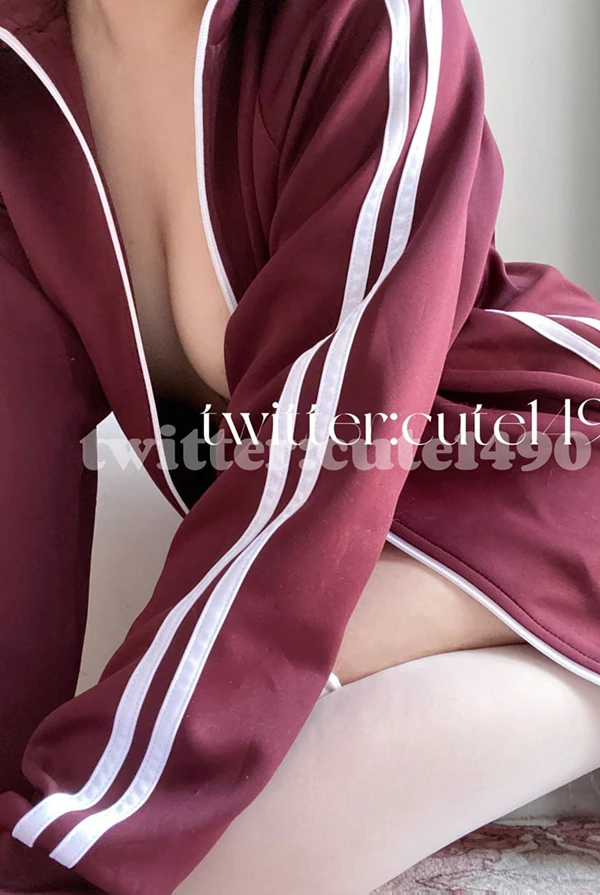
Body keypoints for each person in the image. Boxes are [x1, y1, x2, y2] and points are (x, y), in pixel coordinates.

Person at [1, 1, 600, 892]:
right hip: (351, 524)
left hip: (547, 464)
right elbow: (16, 511)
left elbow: (325, 463)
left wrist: (67, 835)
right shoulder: (16, 72)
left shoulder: (367, 21)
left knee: (188, 846)